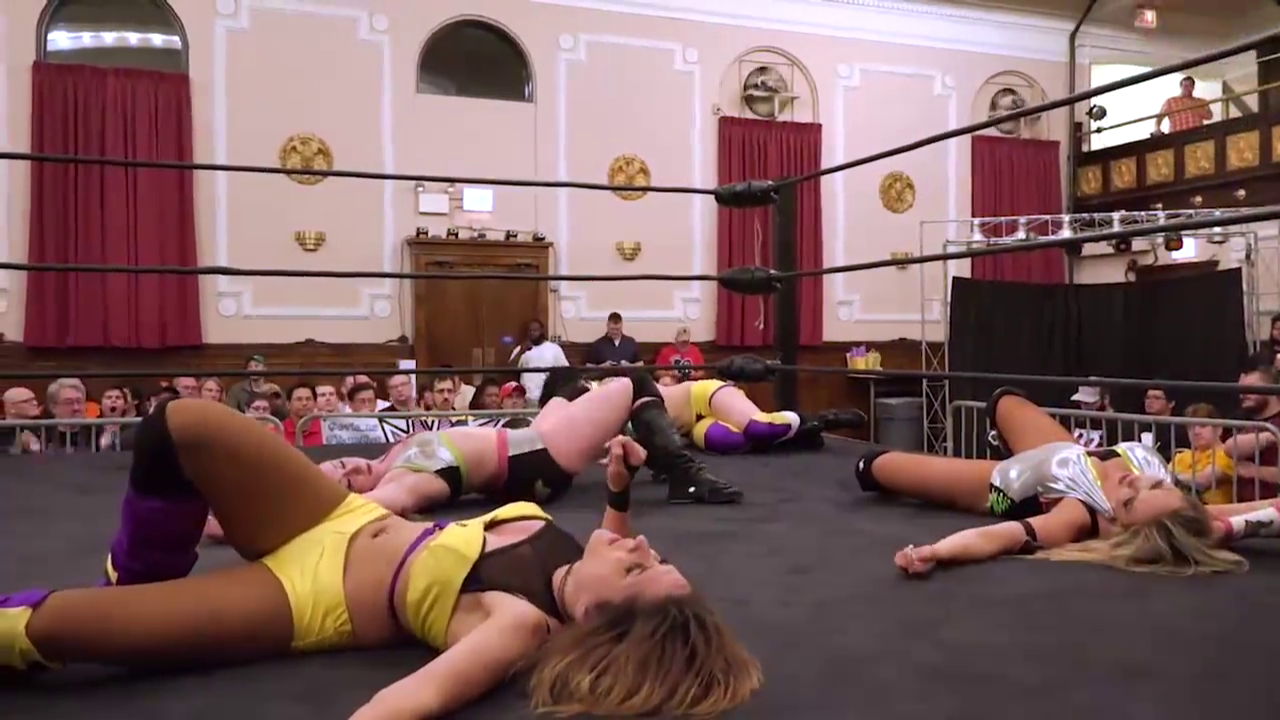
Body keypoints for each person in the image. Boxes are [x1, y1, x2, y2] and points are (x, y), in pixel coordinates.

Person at [0, 399, 761, 719]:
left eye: (637, 566)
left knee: (44, 627)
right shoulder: (575, 564)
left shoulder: (518, 625)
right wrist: (619, 489)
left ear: (592, 616)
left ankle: (114, 603)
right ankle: (133, 578)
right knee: (181, 424)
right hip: (336, 516)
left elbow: (403, 706)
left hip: (306, 595)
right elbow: (609, 544)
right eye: (651, 552)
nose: (638, 544)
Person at [203, 372, 741, 540]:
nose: (350, 467)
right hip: (538, 457)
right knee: (631, 384)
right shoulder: (404, 483)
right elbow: (357, 512)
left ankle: (647, 456)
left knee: (566, 384)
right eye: (346, 478)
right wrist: (251, 525)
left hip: (527, 436)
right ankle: (684, 475)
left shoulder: (388, 459)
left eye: (339, 464)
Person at [851, 387, 1267, 576]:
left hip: (1004, 485)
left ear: (1117, 526)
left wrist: (937, 551)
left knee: (873, 466)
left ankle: (1001, 462)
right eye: (1153, 485)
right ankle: (1006, 437)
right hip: (1063, 453)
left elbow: (1002, 536)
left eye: (1128, 500)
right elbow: (1249, 514)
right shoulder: (1182, 510)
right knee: (1004, 400)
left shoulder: (1078, 514)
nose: (1133, 481)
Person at [659, 378, 866, 454]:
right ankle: (800, 437)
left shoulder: (637, 385)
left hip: (701, 395)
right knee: (728, 440)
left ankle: (820, 419)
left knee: (759, 427)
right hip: (693, 428)